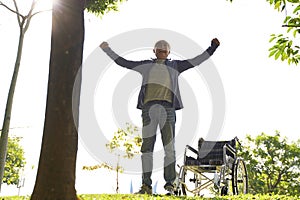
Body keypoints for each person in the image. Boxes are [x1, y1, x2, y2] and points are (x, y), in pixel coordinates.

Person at [99, 38, 220, 194]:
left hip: (167, 109)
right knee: (147, 149)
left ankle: (170, 185)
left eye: (165, 48)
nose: (162, 49)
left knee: (169, 148)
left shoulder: (176, 66)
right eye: (159, 48)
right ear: (154, 51)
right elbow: (124, 62)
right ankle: (146, 186)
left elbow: (197, 60)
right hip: (149, 109)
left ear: (168, 52)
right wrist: (107, 50)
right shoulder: (146, 66)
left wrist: (213, 47)